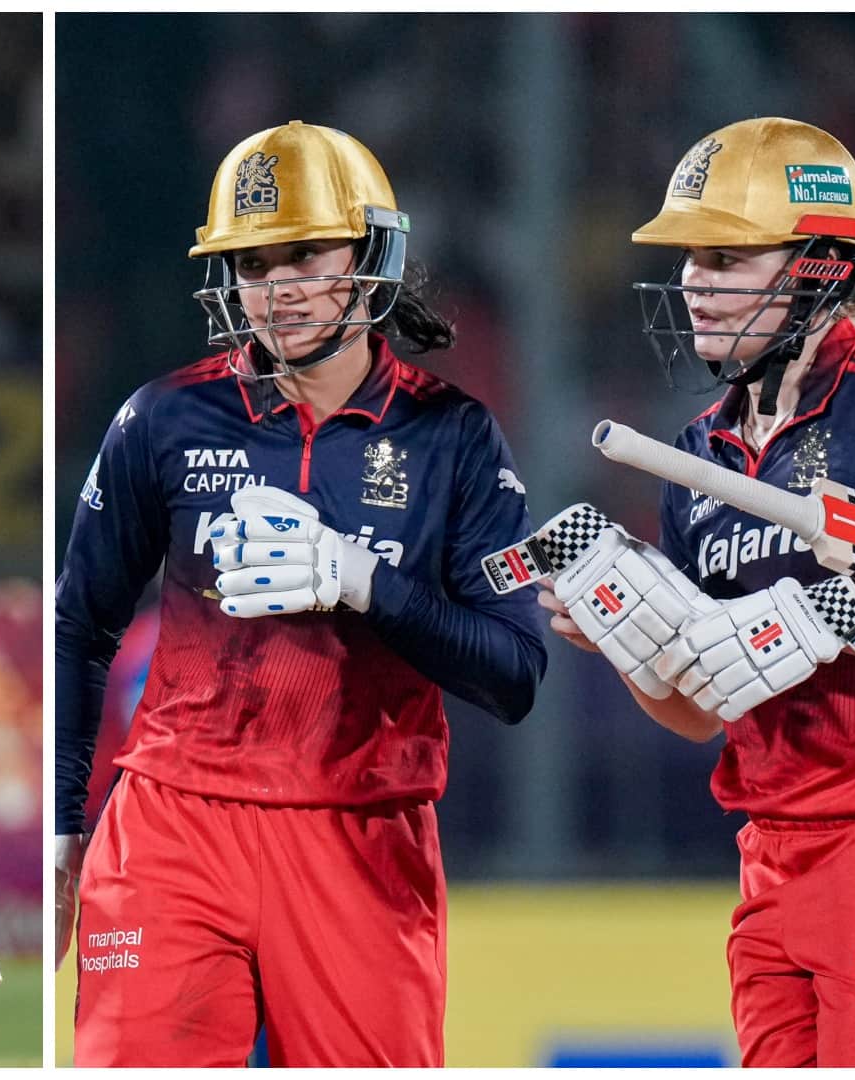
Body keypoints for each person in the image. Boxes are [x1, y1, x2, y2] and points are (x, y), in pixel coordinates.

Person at [54, 120, 546, 1066]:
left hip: (361, 835)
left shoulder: (455, 438)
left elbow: (515, 673)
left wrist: (366, 584)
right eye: (250, 262)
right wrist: (68, 823)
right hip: (174, 823)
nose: (276, 288)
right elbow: (83, 623)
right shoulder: (162, 418)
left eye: (304, 255)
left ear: (369, 255)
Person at [539, 117, 855, 1067]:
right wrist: (629, 632)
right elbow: (702, 712)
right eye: (691, 255)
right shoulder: (699, 451)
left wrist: (834, 616)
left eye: (728, 254)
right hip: (772, 856)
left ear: (823, 265)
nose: (695, 280)